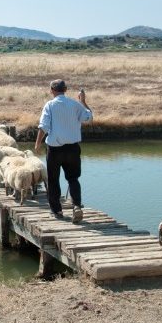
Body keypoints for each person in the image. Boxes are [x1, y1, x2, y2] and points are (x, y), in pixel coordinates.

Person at [34, 79, 93, 223]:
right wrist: (83, 101)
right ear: (65, 89)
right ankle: (76, 206)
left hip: (54, 150)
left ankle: (57, 211)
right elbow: (89, 117)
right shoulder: (75, 105)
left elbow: (44, 127)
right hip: (73, 149)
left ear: (52, 90)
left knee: (53, 180)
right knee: (73, 179)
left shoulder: (49, 105)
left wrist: (37, 144)